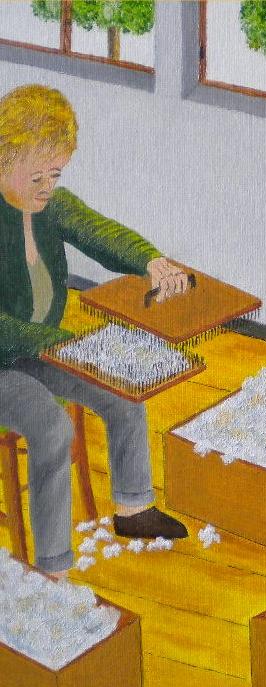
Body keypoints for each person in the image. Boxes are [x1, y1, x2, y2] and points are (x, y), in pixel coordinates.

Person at [0, 84, 189, 577]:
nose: (48, 186)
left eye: (56, 174)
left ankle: (133, 507)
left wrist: (150, 261)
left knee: (121, 385)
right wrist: (59, 344)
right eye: (37, 175)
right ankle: (53, 566)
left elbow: (100, 232)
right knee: (52, 429)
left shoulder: (52, 206)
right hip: (3, 363)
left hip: (40, 350)